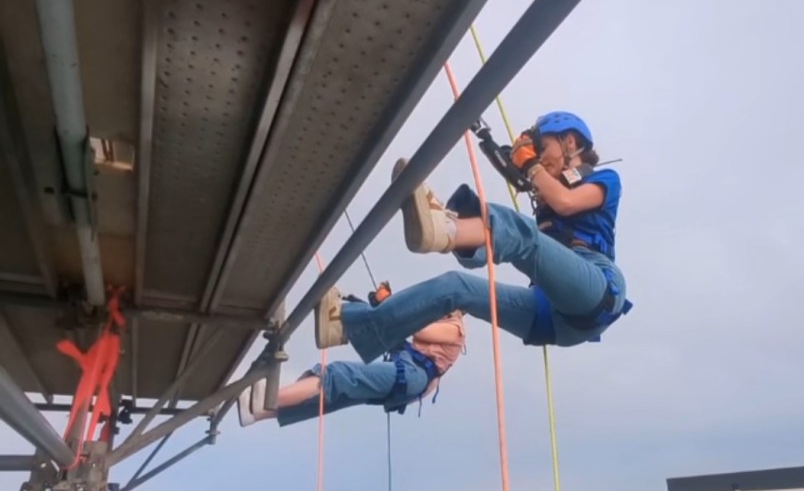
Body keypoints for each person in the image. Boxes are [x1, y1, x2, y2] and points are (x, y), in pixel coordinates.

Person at [314, 111, 630, 364]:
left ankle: (447, 230)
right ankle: (349, 325)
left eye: (544, 148)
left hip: (597, 287)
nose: (541, 158)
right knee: (456, 287)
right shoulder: (549, 189)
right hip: (552, 315)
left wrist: (531, 166)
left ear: (571, 143)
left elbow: (566, 202)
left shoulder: (605, 179)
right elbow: (549, 194)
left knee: (523, 234)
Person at [237, 309, 465, 427]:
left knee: (340, 376)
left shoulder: (455, 328)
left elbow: (419, 331)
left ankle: (269, 400)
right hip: (410, 375)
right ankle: (258, 413)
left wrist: (391, 309)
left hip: (412, 374)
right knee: (336, 397)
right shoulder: (444, 328)